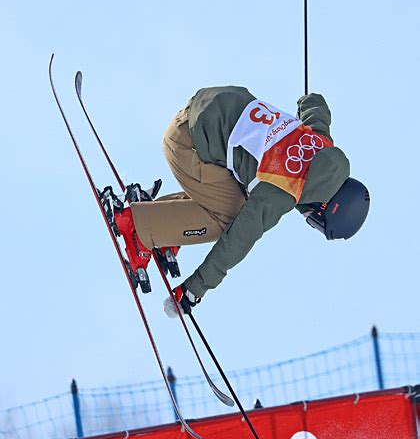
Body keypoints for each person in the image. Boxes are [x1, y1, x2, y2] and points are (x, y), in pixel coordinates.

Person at [118, 87, 370, 317]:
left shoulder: (321, 140)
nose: (307, 219)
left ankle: (165, 224)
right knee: (231, 218)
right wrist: (194, 290)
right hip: (186, 145)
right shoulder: (285, 188)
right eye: (315, 221)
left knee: (241, 190)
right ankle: (141, 227)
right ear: (325, 206)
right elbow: (239, 239)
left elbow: (316, 106)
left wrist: (306, 101)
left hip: (203, 109)